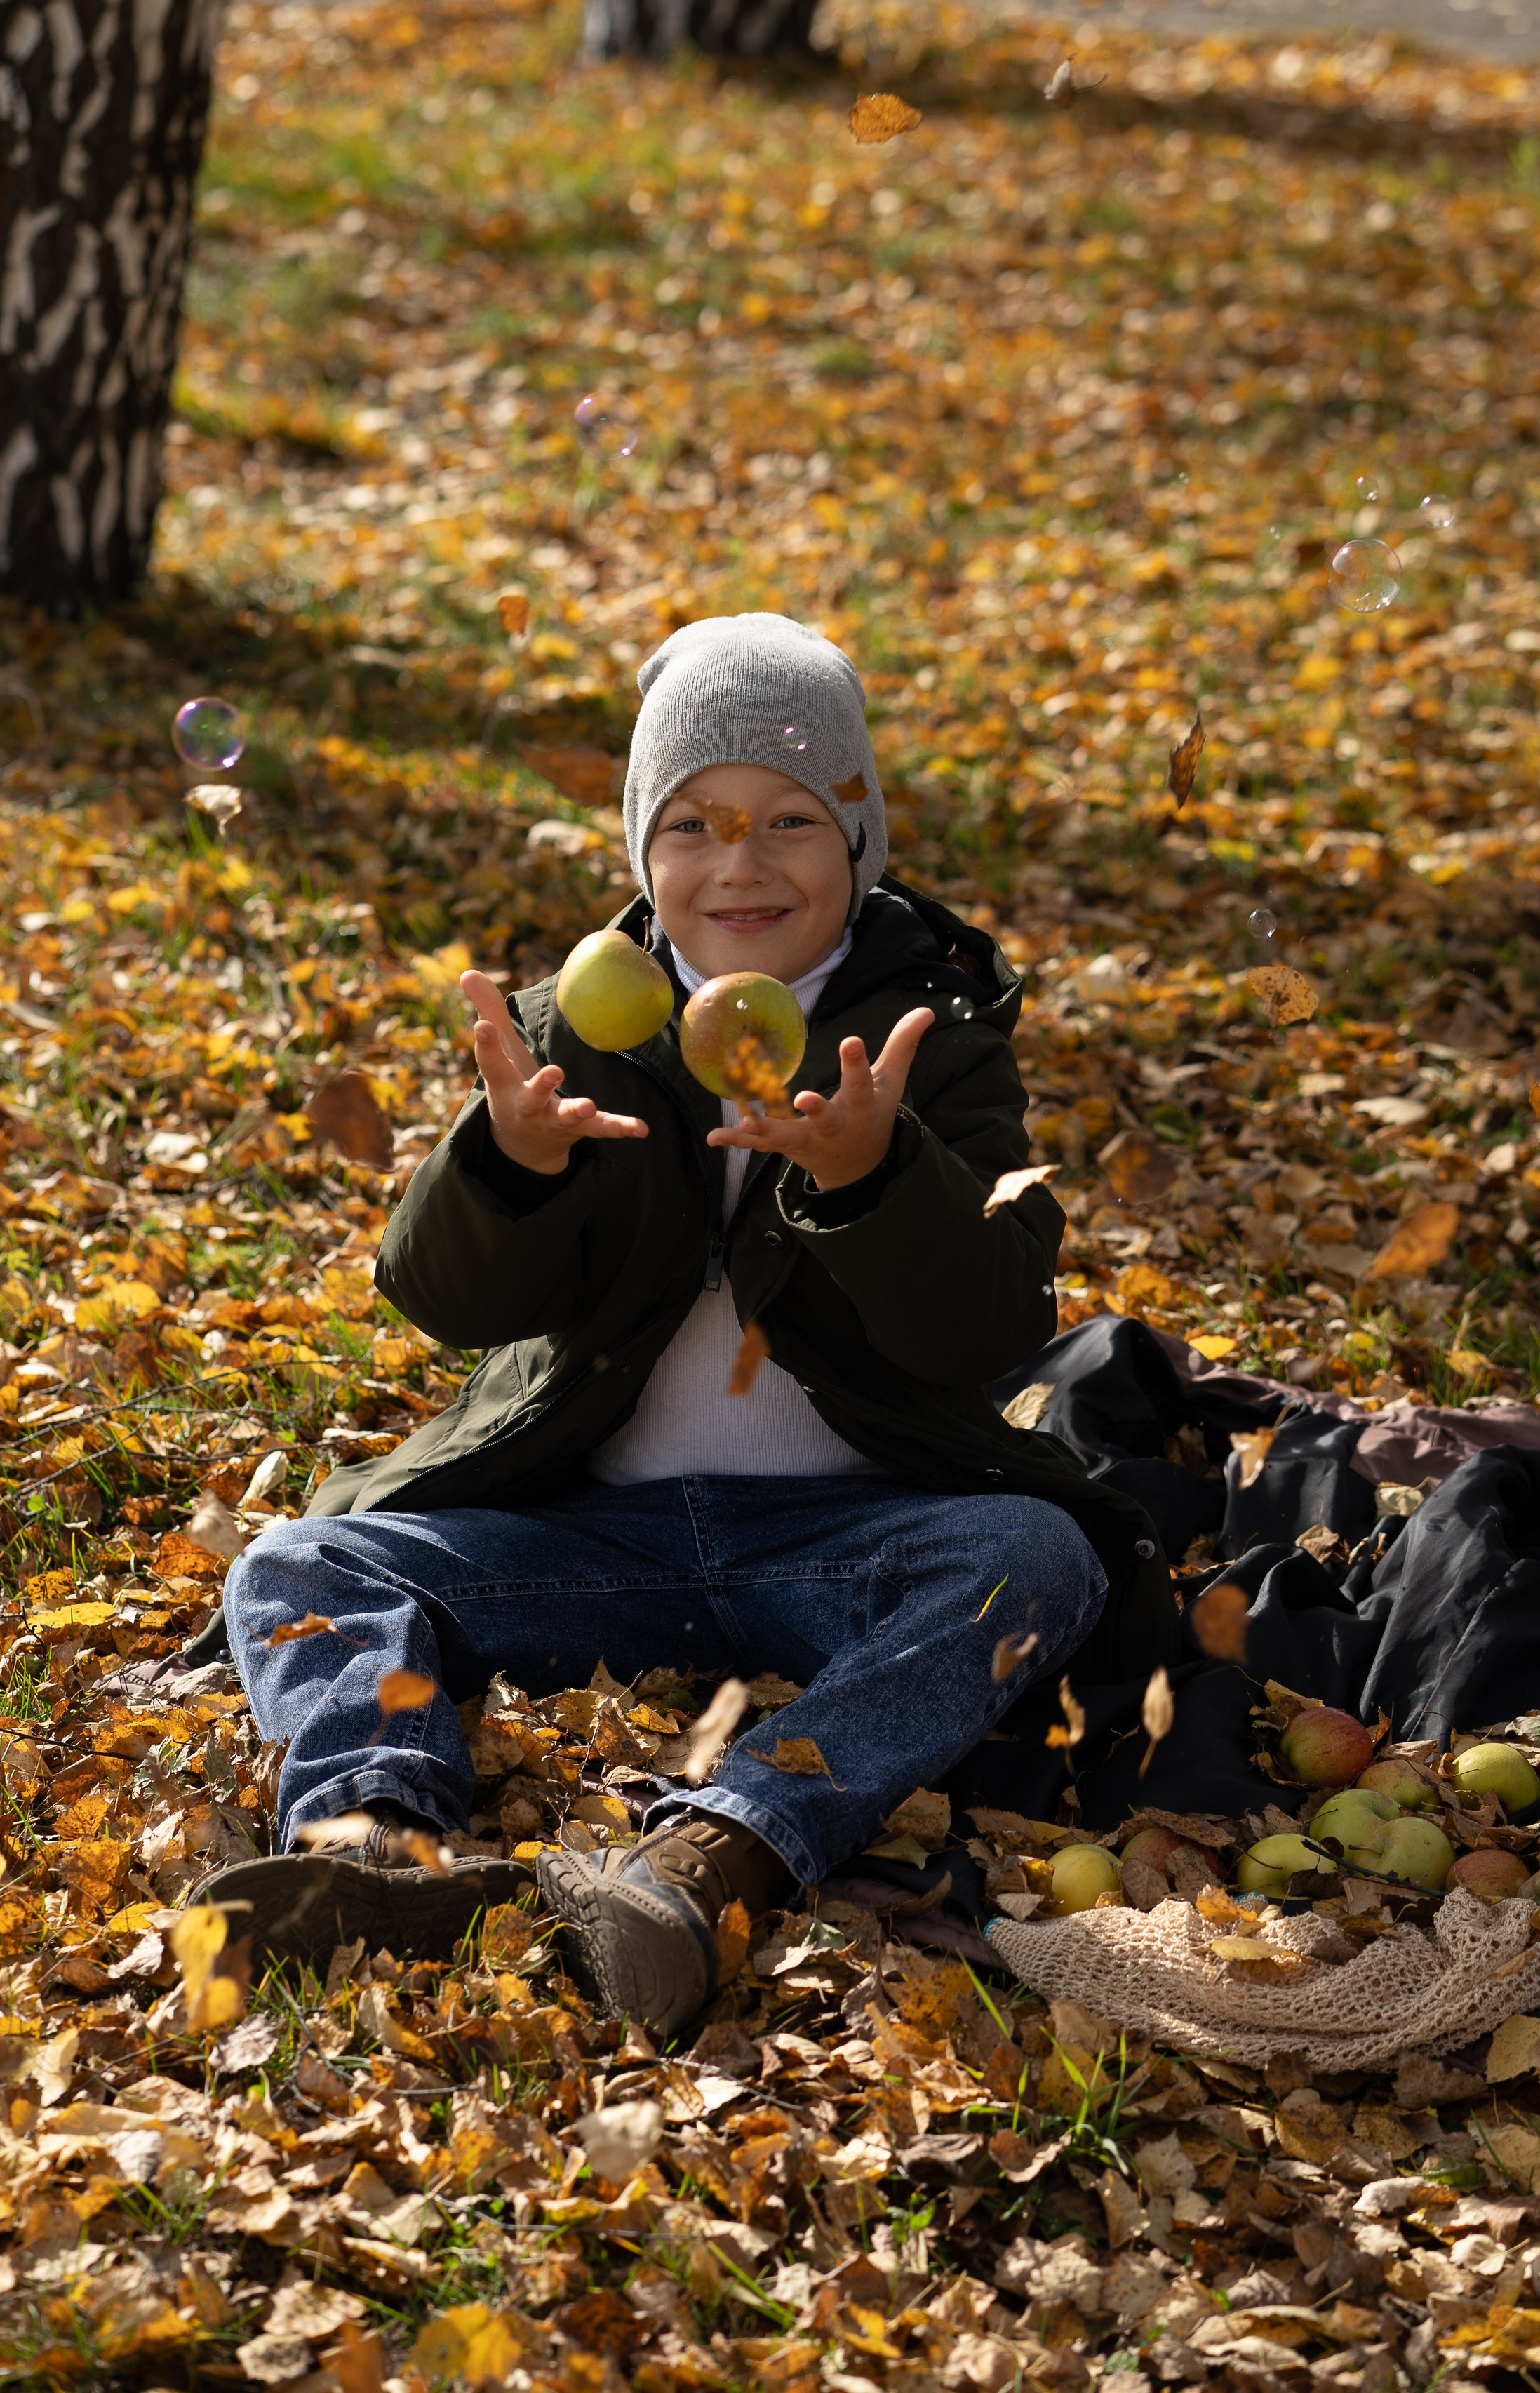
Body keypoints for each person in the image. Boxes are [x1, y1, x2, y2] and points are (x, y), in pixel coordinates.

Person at [206, 613, 1178, 2035]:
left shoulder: (933, 1030)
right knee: (302, 1560)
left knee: (1030, 1556)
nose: (741, 863)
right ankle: (370, 1848)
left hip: (851, 1537)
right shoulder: (580, 1027)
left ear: (860, 839)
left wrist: (872, 1174)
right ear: (640, 852)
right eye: (695, 823)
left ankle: (713, 1852)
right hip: (587, 1537)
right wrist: (508, 1166)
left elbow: (987, 1322)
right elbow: (441, 1302)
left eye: (792, 819)